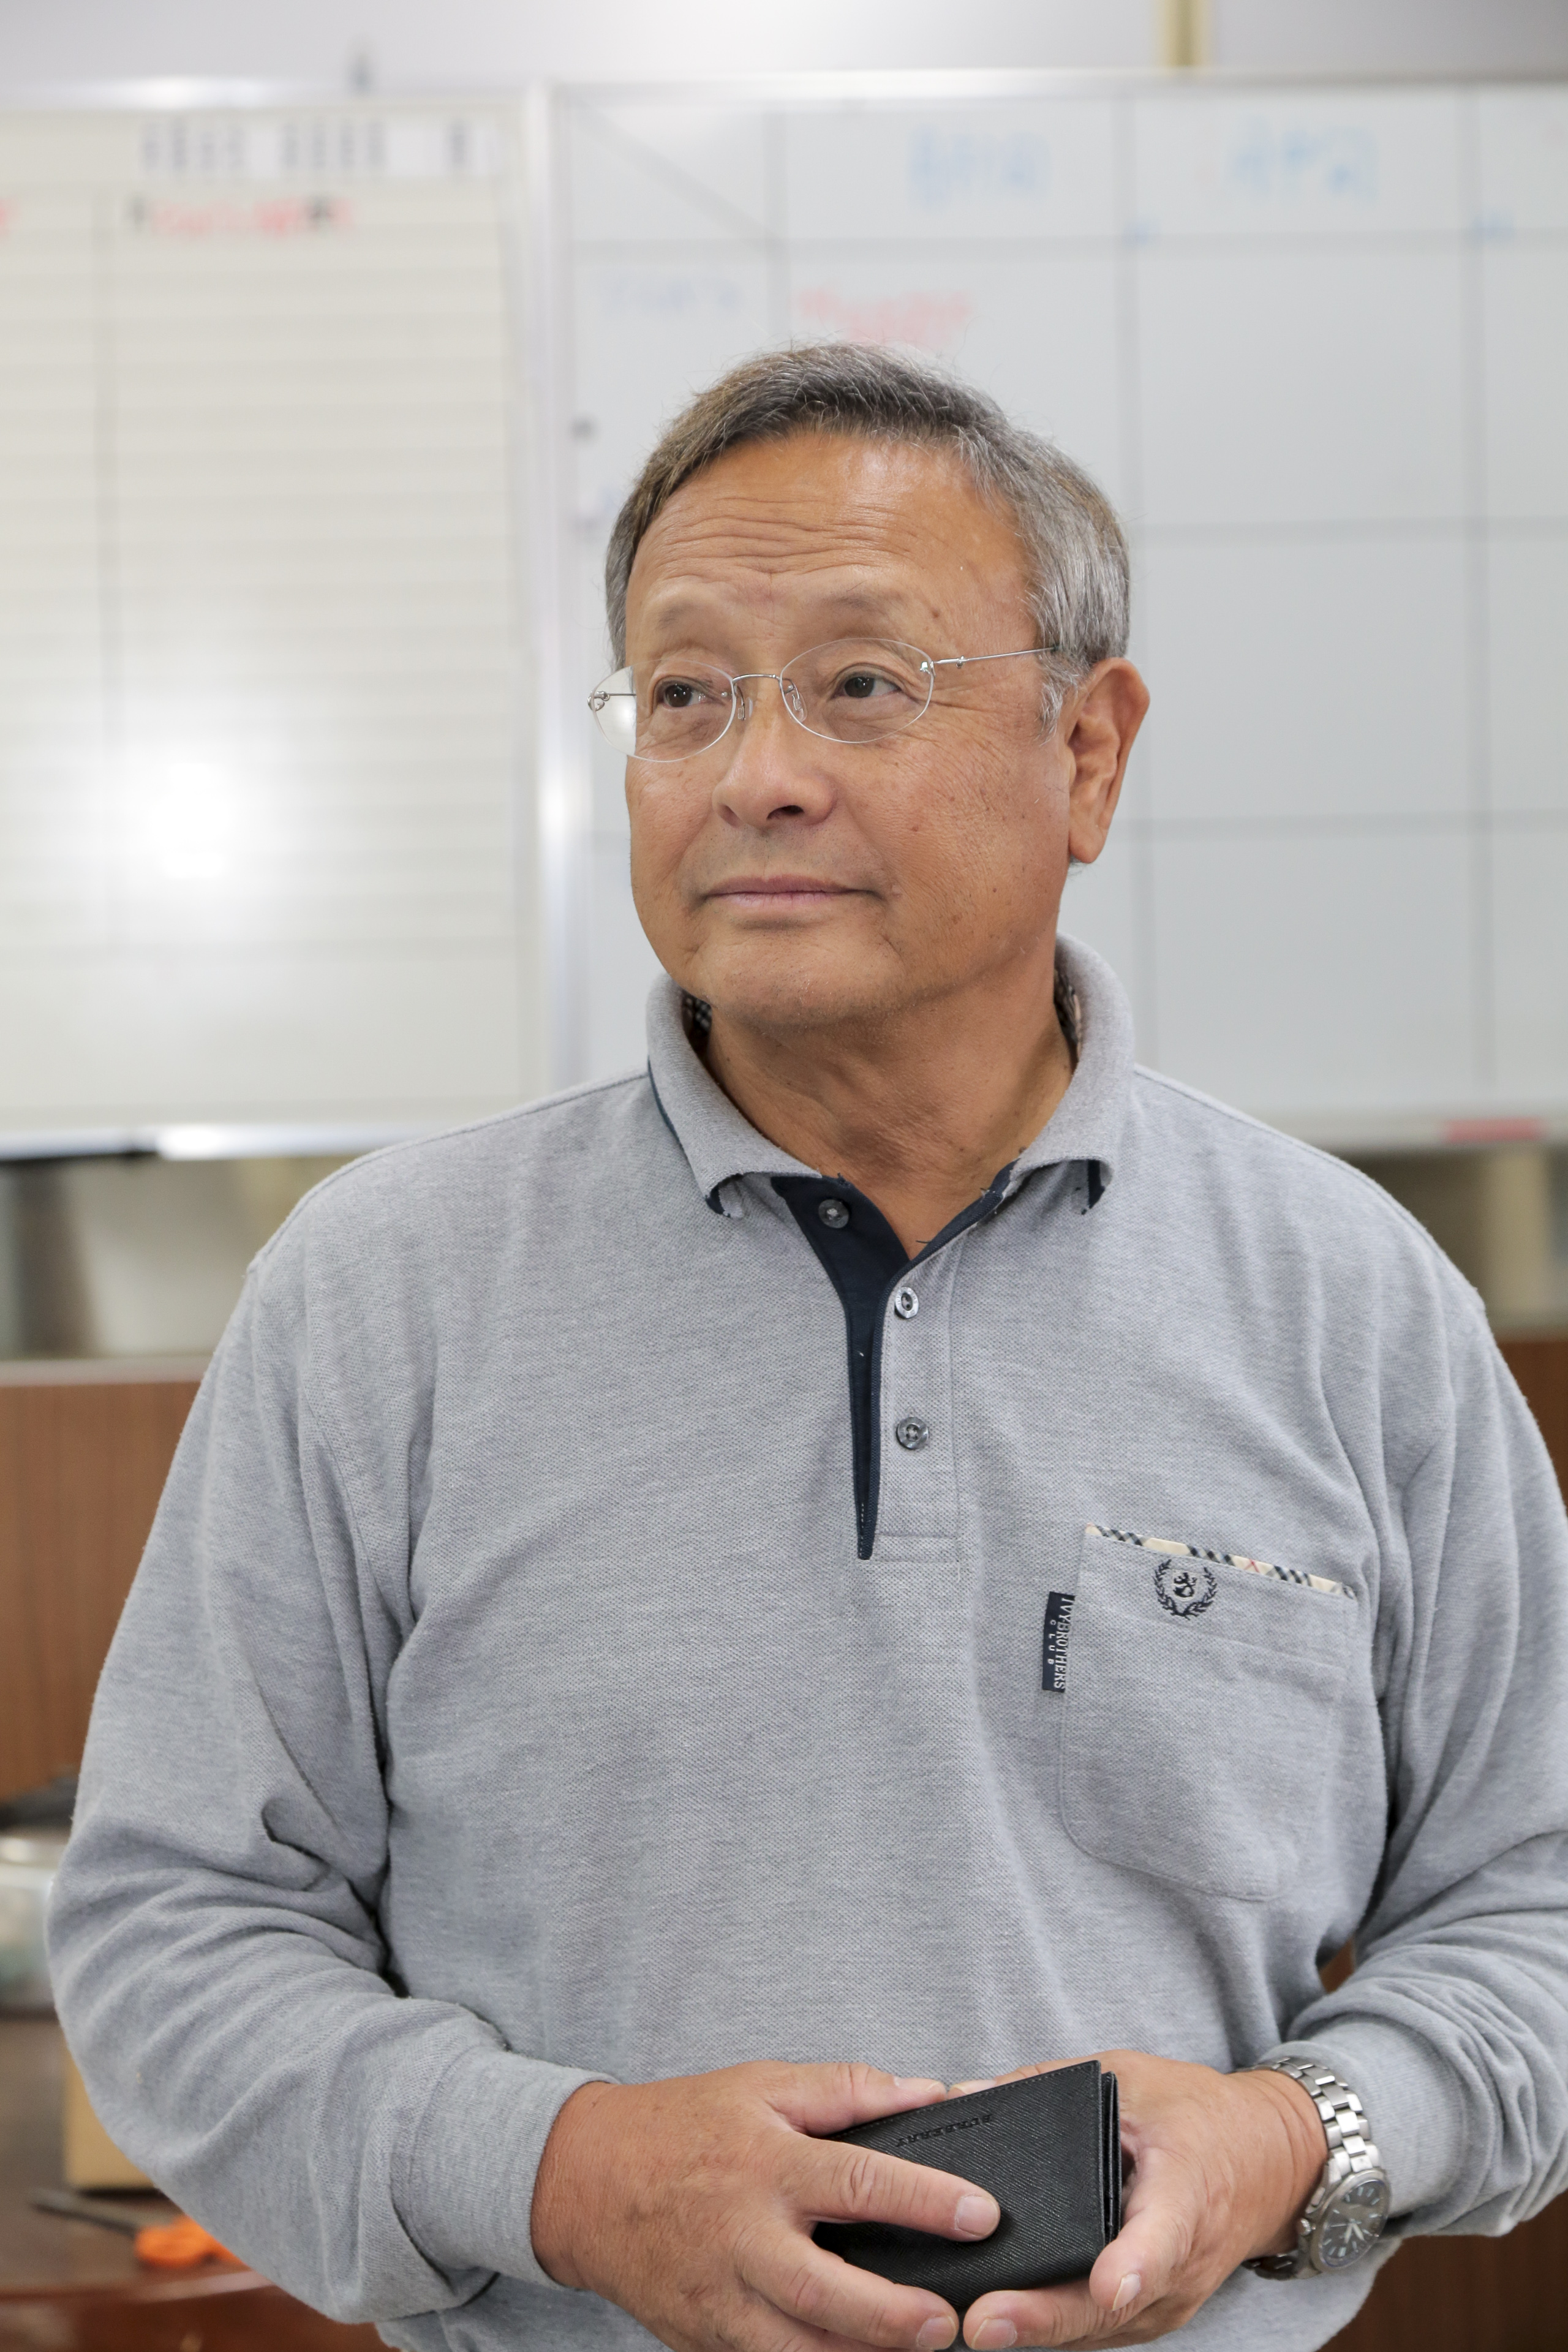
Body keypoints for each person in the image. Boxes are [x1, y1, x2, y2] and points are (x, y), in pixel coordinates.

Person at [50, 344, 1568, 2352]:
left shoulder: (1354, 1302)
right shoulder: (380, 1295)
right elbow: (176, 1932)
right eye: (685, 693)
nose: (754, 772)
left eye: (862, 682)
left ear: (1089, 752)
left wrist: (1300, 2141)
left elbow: (1536, 1908)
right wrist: (564, 2174)